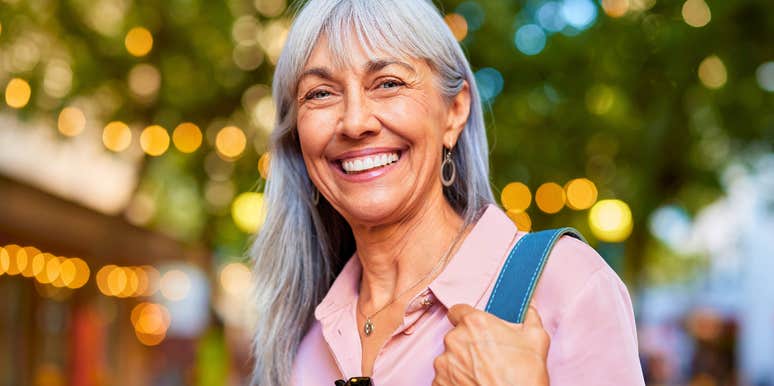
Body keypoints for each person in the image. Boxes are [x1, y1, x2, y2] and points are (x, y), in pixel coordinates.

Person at [249, 0, 645, 385]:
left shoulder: (569, 284)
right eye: (320, 93)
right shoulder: (300, 339)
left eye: (388, 83)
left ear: (454, 111)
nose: (354, 122)